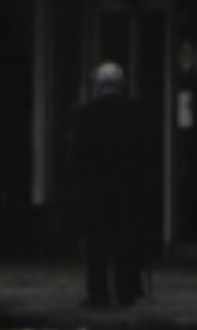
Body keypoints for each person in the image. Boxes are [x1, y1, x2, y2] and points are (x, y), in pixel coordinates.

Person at [68, 61, 155, 308]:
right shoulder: (136, 111)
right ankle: (126, 290)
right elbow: (146, 152)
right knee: (125, 240)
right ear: (121, 84)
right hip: (128, 187)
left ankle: (99, 294)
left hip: (96, 189)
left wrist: (79, 183)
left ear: (98, 85)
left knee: (96, 243)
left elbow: (77, 154)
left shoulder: (84, 113)